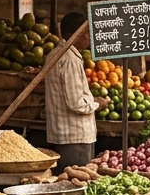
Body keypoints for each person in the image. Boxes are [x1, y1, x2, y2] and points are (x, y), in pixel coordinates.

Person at [44, 12, 107, 169]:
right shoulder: (69, 59)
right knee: (75, 181)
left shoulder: (54, 54)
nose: (89, 37)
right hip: (75, 137)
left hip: (63, 134)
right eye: (86, 33)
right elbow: (76, 103)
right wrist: (97, 103)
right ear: (73, 35)